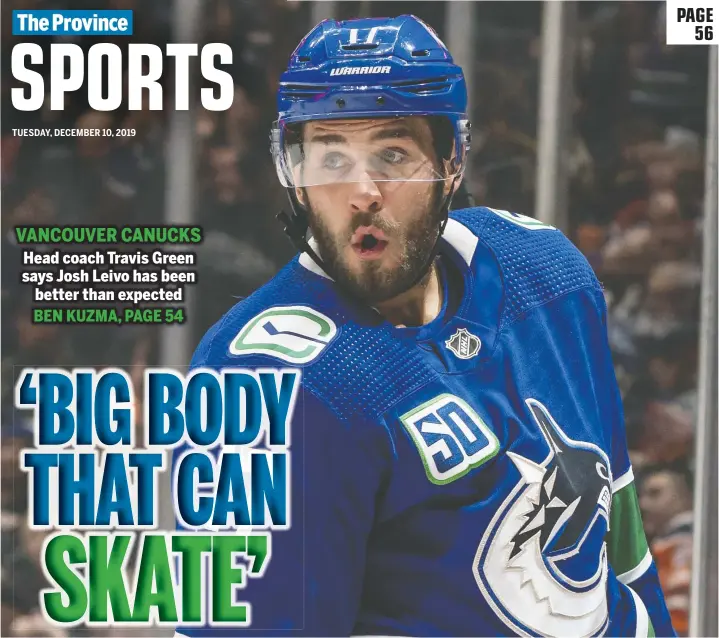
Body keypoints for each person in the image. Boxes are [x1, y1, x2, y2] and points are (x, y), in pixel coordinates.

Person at [174, 15, 674, 637]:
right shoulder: (266, 377)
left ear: (451, 162)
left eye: (392, 153)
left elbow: (622, 545)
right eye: (330, 155)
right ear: (294, 176)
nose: (362, 191)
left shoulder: (548, 275)